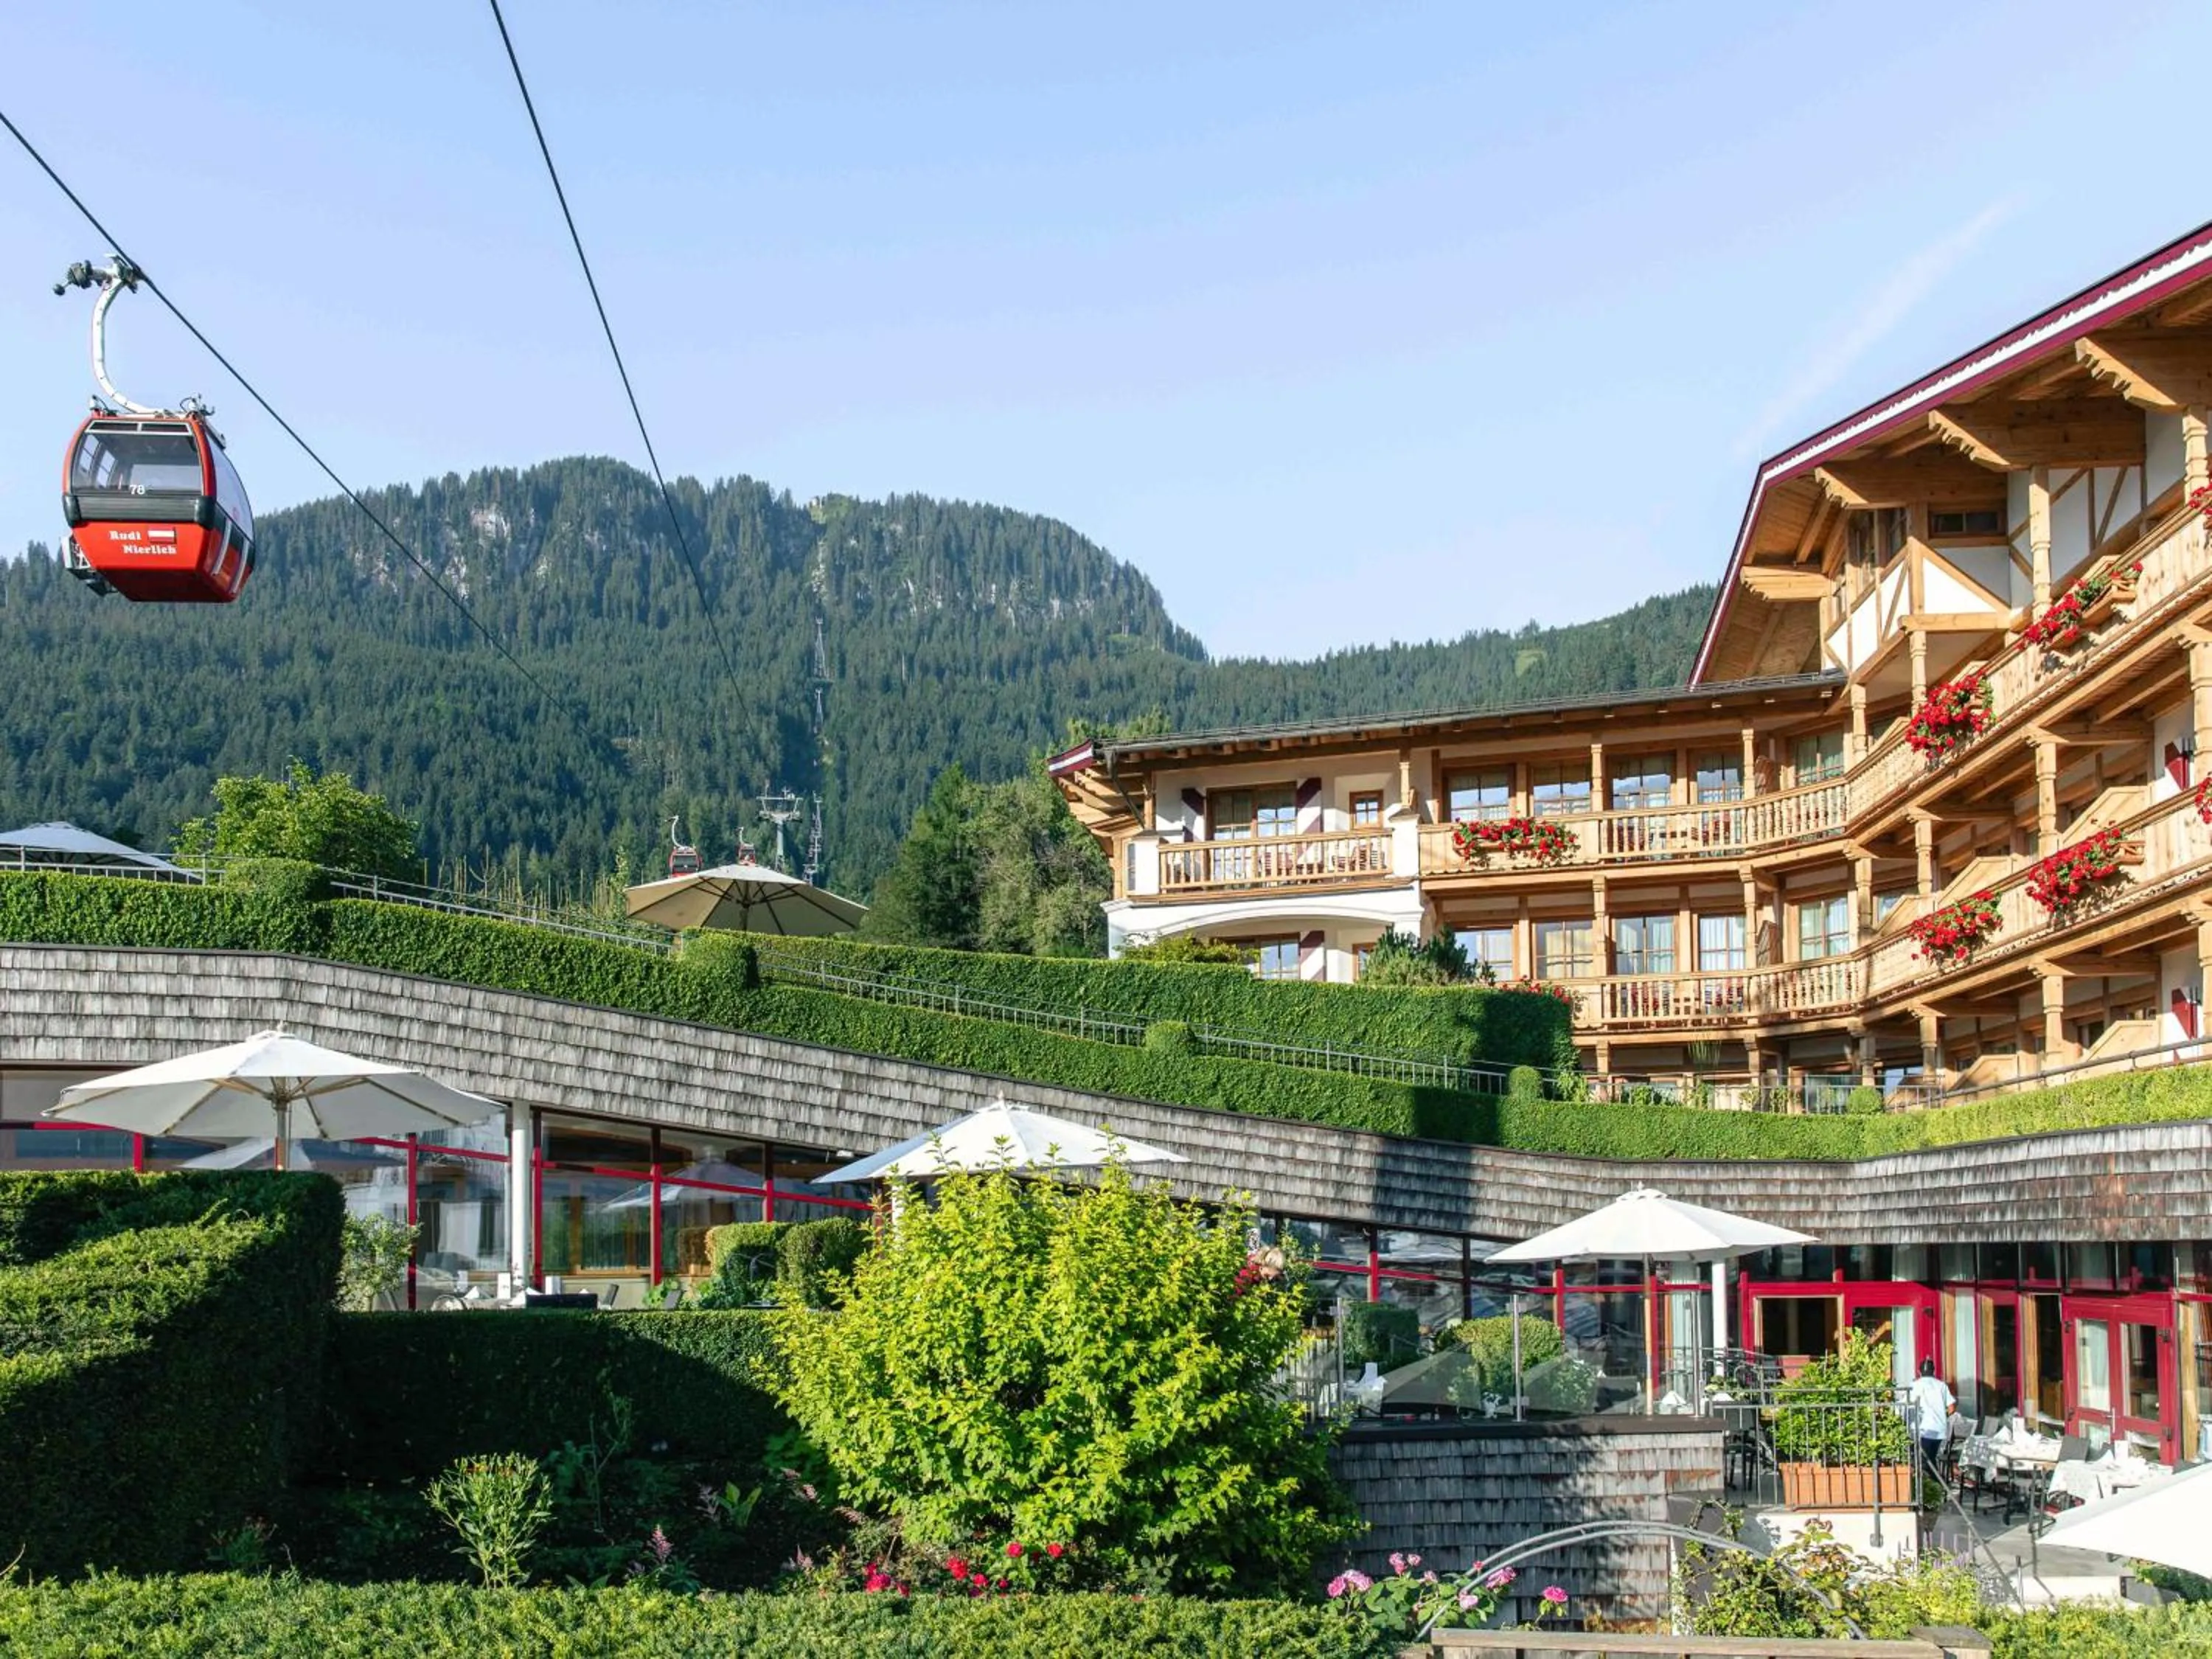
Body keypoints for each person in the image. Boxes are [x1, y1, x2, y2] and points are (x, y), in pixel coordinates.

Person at [1907, 1357, 1956, 1491]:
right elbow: (1952, 1408)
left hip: (1923, 1429)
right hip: (1940, 1429)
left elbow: (1907, 1405)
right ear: (1934, 1371)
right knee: (1930, 1459)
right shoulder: (1942, 1386)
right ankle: (1936, 1487)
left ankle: (1939, 1487)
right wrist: (1942, 1416)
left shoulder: (1915, 1385)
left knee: (1925, 1461)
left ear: (1919, 1372)